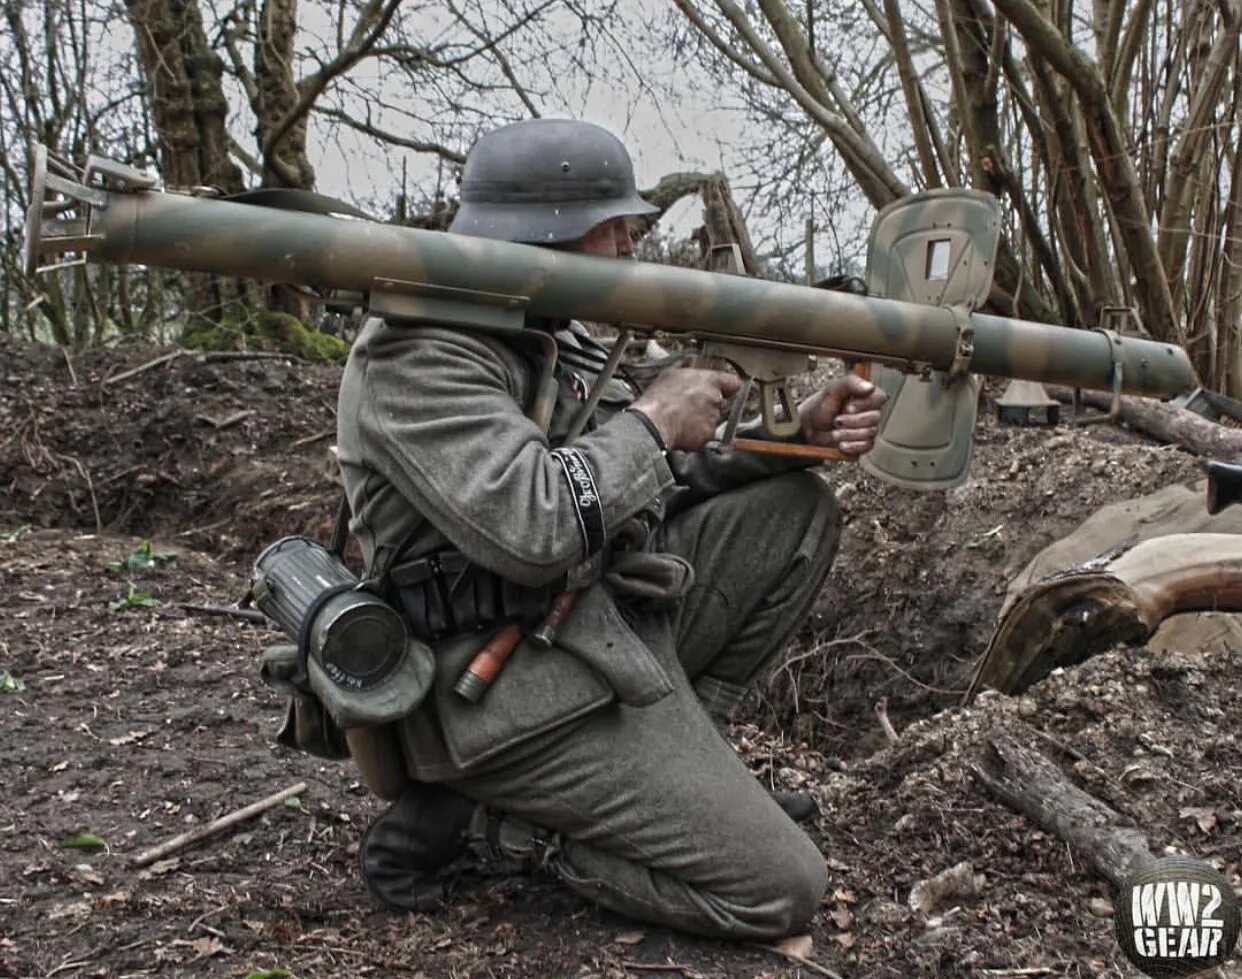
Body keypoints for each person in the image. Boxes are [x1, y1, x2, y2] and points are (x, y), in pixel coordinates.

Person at [334, 118, 886, 940]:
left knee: (793, 513)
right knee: (780, 888)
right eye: (614, 229)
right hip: (492, 682)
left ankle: (690, 754)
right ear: (545, 236)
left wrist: (795, 437)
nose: (631, 248)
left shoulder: (550, 328)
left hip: (589, 624)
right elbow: (537, 525)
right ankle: (494, 824)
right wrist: (657, 420)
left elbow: (656, 481)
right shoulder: (419, 354)